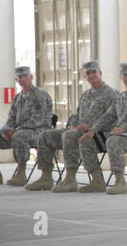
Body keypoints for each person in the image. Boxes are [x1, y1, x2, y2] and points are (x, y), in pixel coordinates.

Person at [25, 61, 118, 193]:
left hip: (99, 134)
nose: (91, 76)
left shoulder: (111, 94)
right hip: (79, 131)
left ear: (100, 73)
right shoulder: (86, 94)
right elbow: (77, 114)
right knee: (46, 136)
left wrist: (91, 126)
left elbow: (113, 118)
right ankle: (46, 178)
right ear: (85, 77)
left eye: (94, 72)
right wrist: (73, 124)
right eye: (88, 73)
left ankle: (73, 179)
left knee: (69, 136)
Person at [79, 62, 127, 195]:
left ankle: (120, 182)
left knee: (113, 141)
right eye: (125, 74)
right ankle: (97, 181)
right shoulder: (121, 97)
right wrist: (94, 130)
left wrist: (124, 127)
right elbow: (108, 116)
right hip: (119, 134)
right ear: (120, 76)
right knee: (86, 140)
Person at [0, 66, 53, 186]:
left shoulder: (40, 95)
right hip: (19, 131)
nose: (23, 79)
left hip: (39, 132)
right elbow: (11, 118)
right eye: (20, 77)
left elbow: (38, 120)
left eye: (25, 76)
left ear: (31, 77)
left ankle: (21, 173)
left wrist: (15, 130)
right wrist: (6, 130)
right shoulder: (18, 98)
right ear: (16, 80)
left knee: (19, 136)